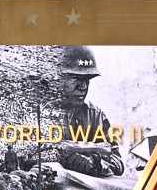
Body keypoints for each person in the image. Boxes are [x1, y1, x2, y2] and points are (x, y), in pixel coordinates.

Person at [52, 46, 124, 177]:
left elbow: (117, 163)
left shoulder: (96, 115)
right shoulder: (44, 113)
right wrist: (92, 152)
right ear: (58, 78)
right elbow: (44, 154)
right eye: (76, 78)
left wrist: (96, 162)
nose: (83, 87)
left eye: (87, 80)